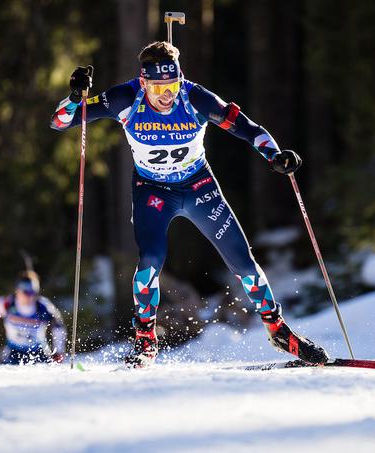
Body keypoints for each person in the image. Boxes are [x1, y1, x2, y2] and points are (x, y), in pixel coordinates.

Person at [51, 41, 330, 368]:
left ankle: (278, 331)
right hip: (153, 191)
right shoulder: (126, 98)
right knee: (148, 266)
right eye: (159, 88)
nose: (167, 95)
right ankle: (146, 340)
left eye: (173, 86)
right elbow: (61, 122)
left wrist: (274, 154)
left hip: (198, 186)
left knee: (244, 263)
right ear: (143, 83)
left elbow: (246, 128)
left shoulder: (195, 97)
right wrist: (74, 98)